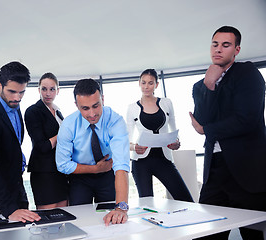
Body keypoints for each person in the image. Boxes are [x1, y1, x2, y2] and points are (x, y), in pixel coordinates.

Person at [190, 26, 266, 240]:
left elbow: (247, 119)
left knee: (253, 235)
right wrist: (210, 84)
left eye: (226, 45)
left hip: (247, 171)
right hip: (214, 171)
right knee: (208, 233)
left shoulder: (247, 73)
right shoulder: (201, 85)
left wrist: (208, 130)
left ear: (237, 50)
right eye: (215, 44)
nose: (219, 49)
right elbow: (202, 120)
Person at [56, 78, 130, 226]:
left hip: (108, 175)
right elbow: (62, 164)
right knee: (79, 221)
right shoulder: (68, 125)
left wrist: (122, 208)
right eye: (85, 108)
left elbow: (121, 164)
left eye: (96, 106)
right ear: (77, 106)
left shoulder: (115, 121)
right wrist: (95, 169)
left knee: (113, 221)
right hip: (80, 176)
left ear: (102, 99)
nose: (92, 114)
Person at [0, 62, 40, 223]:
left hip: (17, 188)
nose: (17, 97)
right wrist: (9, 209)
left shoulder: (15, 106)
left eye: (22, 92)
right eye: (12, 91)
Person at [127, 69, 193, 202]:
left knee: (185, 199)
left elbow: (174, 131)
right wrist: (134, 147)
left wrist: (176, 143)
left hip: (164, 160)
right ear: (139, 83)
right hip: (141, 162)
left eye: (150, 83)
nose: (146, 86)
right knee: (147, 205)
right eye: (143, 82)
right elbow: (126, 140)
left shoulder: (166, 103)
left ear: (156, 85)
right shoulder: (132, 108)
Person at [24, 72, 68, 209]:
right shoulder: (33, 111)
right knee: (47, 219)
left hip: (60, 170)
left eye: (52, 89)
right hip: (43, 172)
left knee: (64, 216)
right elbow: (42, 146)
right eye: (44, 89)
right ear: (39, 90)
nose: (48, 93)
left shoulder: (58, 113)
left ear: (57, 91)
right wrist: (63, 134)